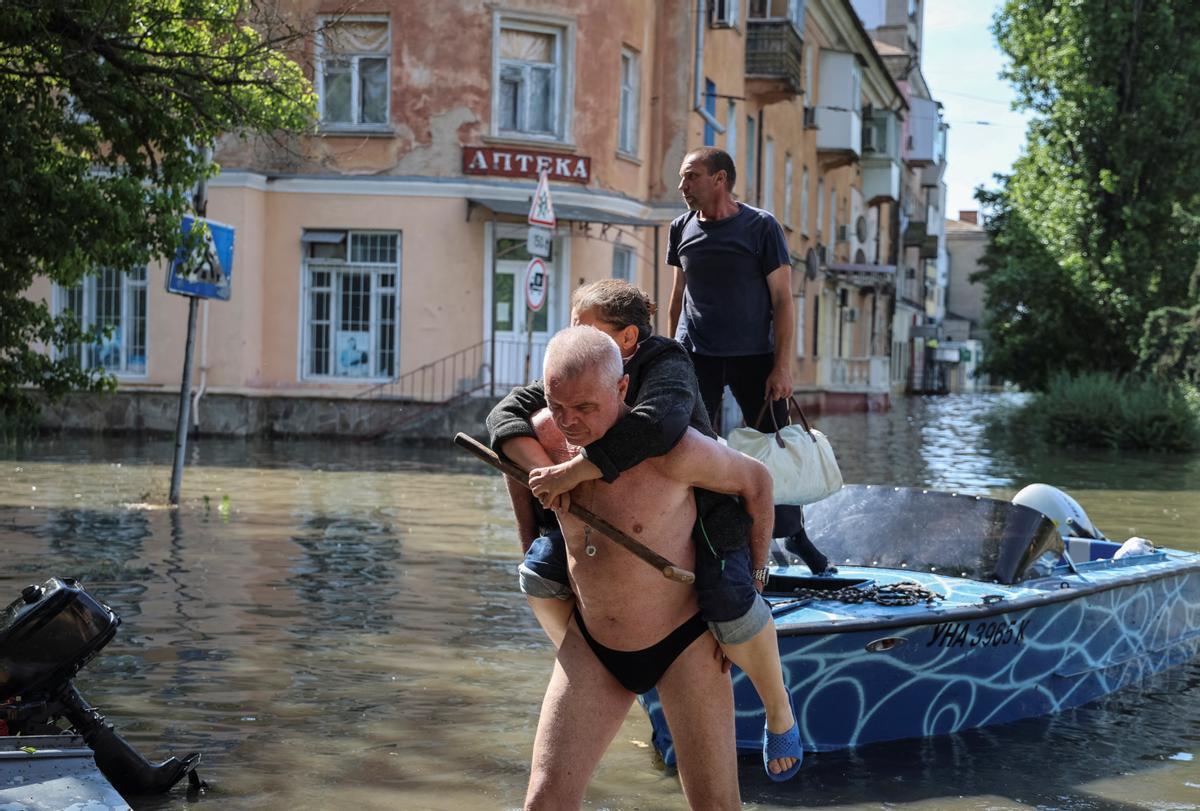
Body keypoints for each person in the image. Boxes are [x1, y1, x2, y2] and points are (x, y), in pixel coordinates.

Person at [488, 280, 801, 779]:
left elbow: (658, 425)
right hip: (600, 629)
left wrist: (575, 469)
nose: (575, 338)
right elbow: (504, 418)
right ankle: (592, 656)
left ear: (627, 340)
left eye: (585, 328)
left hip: (705, 510)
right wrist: (539, 475)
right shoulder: (575, 377)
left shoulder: (668, 362)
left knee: (729, 600)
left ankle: (778, 707)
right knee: (537, 573)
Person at [668, 146, 832, 574]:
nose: (682, 186)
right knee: (689, 447)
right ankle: (703, 537)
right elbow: (676, 297)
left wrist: (783, 367)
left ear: (720, 179)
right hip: (697, 355)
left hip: (755, 358)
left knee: (775, 445)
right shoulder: (680, 228)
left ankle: (795, 537)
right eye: (683, 178)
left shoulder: (760, 226)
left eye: (691, 177)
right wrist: (670, 354)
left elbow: (783, 301)